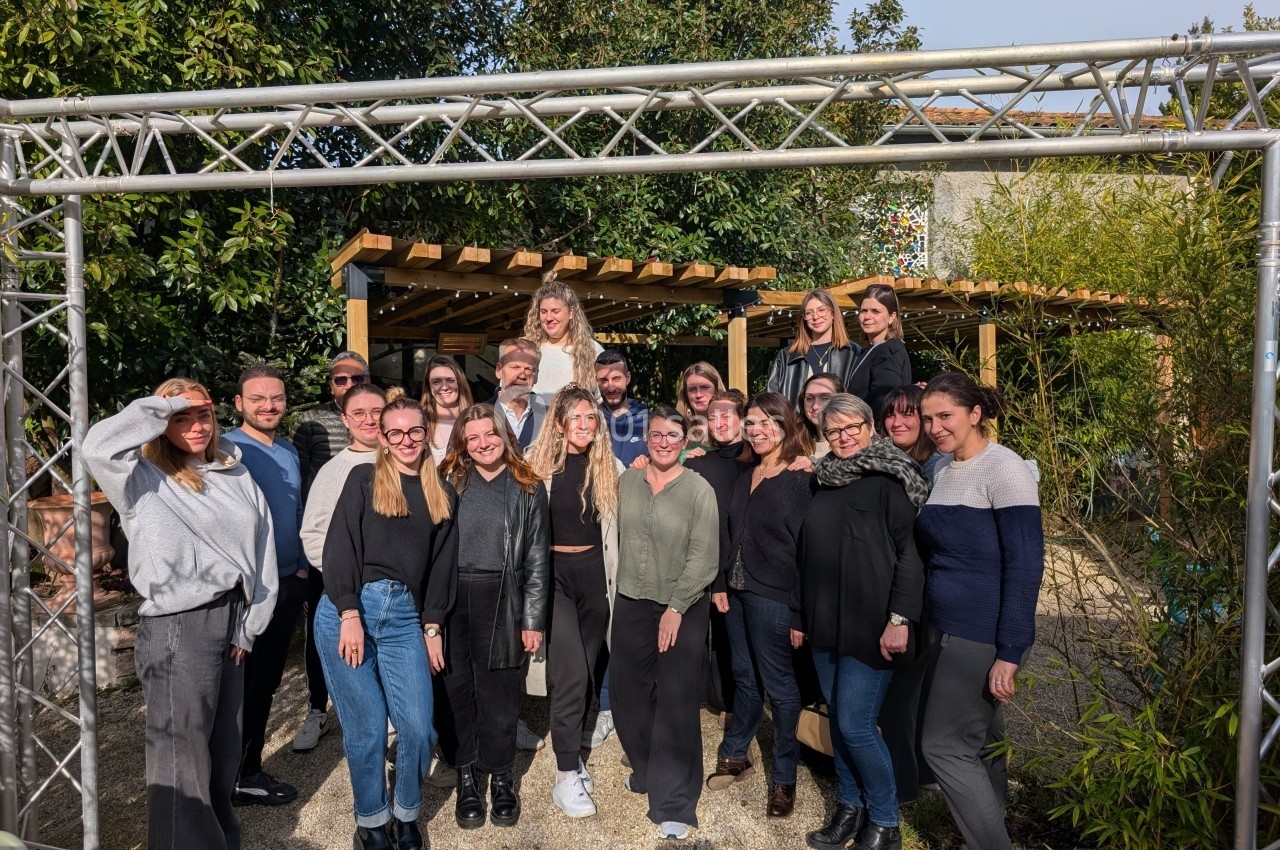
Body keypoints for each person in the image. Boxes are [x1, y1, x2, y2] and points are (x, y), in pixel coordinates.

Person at [84, 378, 278, 850]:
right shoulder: (139, 477)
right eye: (181, 417)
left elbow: (262, 548)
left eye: (203, 415)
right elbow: (96, 446)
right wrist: (167, 401)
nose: (194, 425)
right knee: (182, 758)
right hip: (178, 625)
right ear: (161, 421)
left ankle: (220, 841)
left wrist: (251, 625)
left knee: (223, 751)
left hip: (232, 619)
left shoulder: (233, 470)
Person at [316, 395, 458, 850]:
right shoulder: (364, 479)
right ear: (382, 436)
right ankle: (372, 823)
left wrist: (432, 627)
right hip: (347, 610)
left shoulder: (442, 492)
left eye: (414, 431)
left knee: (418, 727)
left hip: (403, 618)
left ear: (426, 431)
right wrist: (348, 613)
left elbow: (441, 569)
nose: (405, 440)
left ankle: (407, 814)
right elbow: (338, 546)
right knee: (368, 729)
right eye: (394, 432)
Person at [917, 372, 1044, 850]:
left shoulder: (1005, 469)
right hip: (946, 626)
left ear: (975, 414)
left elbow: (1026, 564)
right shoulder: (941, 468)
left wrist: (1010, 650)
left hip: (980, 633)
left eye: (945, 416)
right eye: (928, 418)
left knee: (944, 746)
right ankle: (987, 830)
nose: (934, 427)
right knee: (985, 744)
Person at [797, 393, 929, 850]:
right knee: (837, 723)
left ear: (871, 426)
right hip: (825, 622)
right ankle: (850, 810)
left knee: (855, 725)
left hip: (873, 624)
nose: (844, 436)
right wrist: (801, 615)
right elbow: (805, 554)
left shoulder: (891, 479)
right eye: (834, 431)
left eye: (852, 426)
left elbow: (911, 559)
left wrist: (900, 619)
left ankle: (886, 821)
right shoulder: (823, 481)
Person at [439, 404, 550, 830]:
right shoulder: (449, 481)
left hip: (504, 598)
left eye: (490, 434)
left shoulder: (527, 486)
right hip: (452, 599)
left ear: (505, 436)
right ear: (463, 444)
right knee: (456, 690)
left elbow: (538, 560)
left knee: (500, 694)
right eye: (473, 438)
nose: (483, 443)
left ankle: (501, 775)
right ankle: (467, 774)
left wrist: (533, 619)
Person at [612, 407, 719, 841]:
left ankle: (674, 801)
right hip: (631, 601)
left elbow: (705, 556)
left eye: (672, 436)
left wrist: (676, 608)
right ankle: (648, 768)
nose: (663, 443)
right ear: (646, 438)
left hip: (682, 604)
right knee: (628, 695)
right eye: (656, 435)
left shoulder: (698, 490)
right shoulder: (627, 482)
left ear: (684, 440)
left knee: (675, 700)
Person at [707, 392, 813, 819]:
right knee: (744, 676)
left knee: (780, 686)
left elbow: (809, 550)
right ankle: (737, 753)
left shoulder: (801, 477)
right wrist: (719, 583)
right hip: (735, 591)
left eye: (768, 421)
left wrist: (800, 611)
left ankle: (784, 776)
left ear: (786, 424)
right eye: (751, 423)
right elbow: (730, 532)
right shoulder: (745, 473)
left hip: (774, 596)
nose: (758, 430)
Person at [527, 386, 622, 818]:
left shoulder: (609, 466)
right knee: (568, 677)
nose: (585, 426)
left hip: (596, 579)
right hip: (556, 579)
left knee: (586, 674)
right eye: (576, 418)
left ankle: (574, 755)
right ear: (560, 421)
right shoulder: (536, 464)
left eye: (591, 418)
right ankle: (566, 774)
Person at [224, 365, 306, 807]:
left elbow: (293, 514)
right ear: (239, 403)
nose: (268, 405)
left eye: (276, 397)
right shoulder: (225, 451)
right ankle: (238, 775)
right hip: (248, 592)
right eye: (257, 398)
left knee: (266, 682)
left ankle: (246, 769)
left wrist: (301, 570)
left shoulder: (289, 450)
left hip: (287, 583)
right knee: (244, 685)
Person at [296, 382, 386, 755]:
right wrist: (346, 577)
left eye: (377, 412)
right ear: (345, 421)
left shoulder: (407, 459)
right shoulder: (337, 470)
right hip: (355, 593)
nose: (369, 420)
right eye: (359, 413)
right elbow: (313, 534)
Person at [875, 384, 944, 806]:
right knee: (907, 694)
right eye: (890, 415)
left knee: (906, 694)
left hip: (925, 592)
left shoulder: (937, 467)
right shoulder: (887, 461)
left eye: (908, 415)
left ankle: (906, 786)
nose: (898, 423)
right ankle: (916, 774)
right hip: (898, 587)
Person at [685, 389, 748, 721]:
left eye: (727, 415)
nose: (719, 423)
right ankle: (714, 696)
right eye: (712, 417)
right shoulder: (700, 463)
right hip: (715, 565)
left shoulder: (758, 460)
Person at [766, 290, 861, 406]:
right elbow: (772, 403)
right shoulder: (786, 356)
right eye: (809, 313)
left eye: (821, 310)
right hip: (797, 424)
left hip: (839, 422)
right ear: (804, 319)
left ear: (833, 314)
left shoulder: (853, 353)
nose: (815, 317)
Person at [524, 272, 604, 398]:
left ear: (571, 312)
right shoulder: (526, 350)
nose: (549, 318)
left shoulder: (592, 350)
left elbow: (603, 400)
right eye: (544, 312)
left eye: (556, 311)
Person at [846, 284, 912, 413]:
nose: (867, 317)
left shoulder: (888, 351)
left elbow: (884, 400)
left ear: (892, 316)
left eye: (875, 311)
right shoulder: (873, 349)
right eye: (863, 311)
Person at [488, 338, 548, 451]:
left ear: (536, 376)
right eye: (514, 367)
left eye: (529, 369)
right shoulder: (479, 415)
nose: (522, 375)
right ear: (499, 370)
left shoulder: (549, 417)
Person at [880, 384, 945, 481]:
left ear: (925, 419)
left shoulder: (936, 469)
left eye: (907, 415)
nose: (896, 423)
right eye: (890, 415)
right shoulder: (878, 461)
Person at [595, 350, 649, 466]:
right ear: (596, 382)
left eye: (616, 379)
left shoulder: (648, 420)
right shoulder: (591, 419)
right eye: (604, 380)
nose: (611, 388)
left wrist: (649, 461)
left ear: (628, 378)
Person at [422, 355, 474, 464]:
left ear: (460, 383)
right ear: (429, 387)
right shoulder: (420, 422)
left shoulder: (476, 420)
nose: (444, 387)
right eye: (436, 382)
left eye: (450, 380)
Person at [675, 362, 726, 449]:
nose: (699, 395)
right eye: (692, 389)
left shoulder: (731, 426)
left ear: (717, 390)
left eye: (704, 387)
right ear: (686, 395)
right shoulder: (676, 427)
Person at [798, 373, 846, 459]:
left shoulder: (850, 443)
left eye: (825, 398)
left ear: (841, 399)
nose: (815, 406)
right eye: (809, 398)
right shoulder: (794, 445)